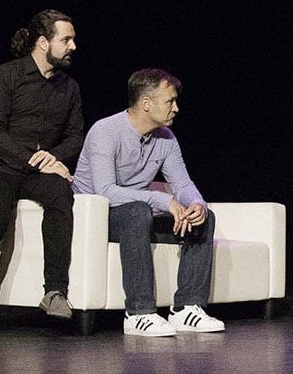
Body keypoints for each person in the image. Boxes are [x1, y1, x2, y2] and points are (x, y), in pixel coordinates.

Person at [72, 68, 225, 337]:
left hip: (137, 218)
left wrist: (196, 204)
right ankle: (138, 313)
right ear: (146, 103)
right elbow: (105, 192)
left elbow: (183, 185)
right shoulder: (105, 131)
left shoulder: (166, 138)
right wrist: (163, 200)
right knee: (137, 212)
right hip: (96, 220)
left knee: (203, 219)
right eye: (170, 101)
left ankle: (187, 309)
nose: (176, 108)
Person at [0, 9, 82, 320]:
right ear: (43, 43)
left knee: (61, 194)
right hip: (6, 165)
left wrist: (53, 157)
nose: (73, 46)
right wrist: (33, 160)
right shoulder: (9, 75)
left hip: (39, 172)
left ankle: (55, 292)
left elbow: (75, 136)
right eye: (66, 40)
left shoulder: (69, 87)